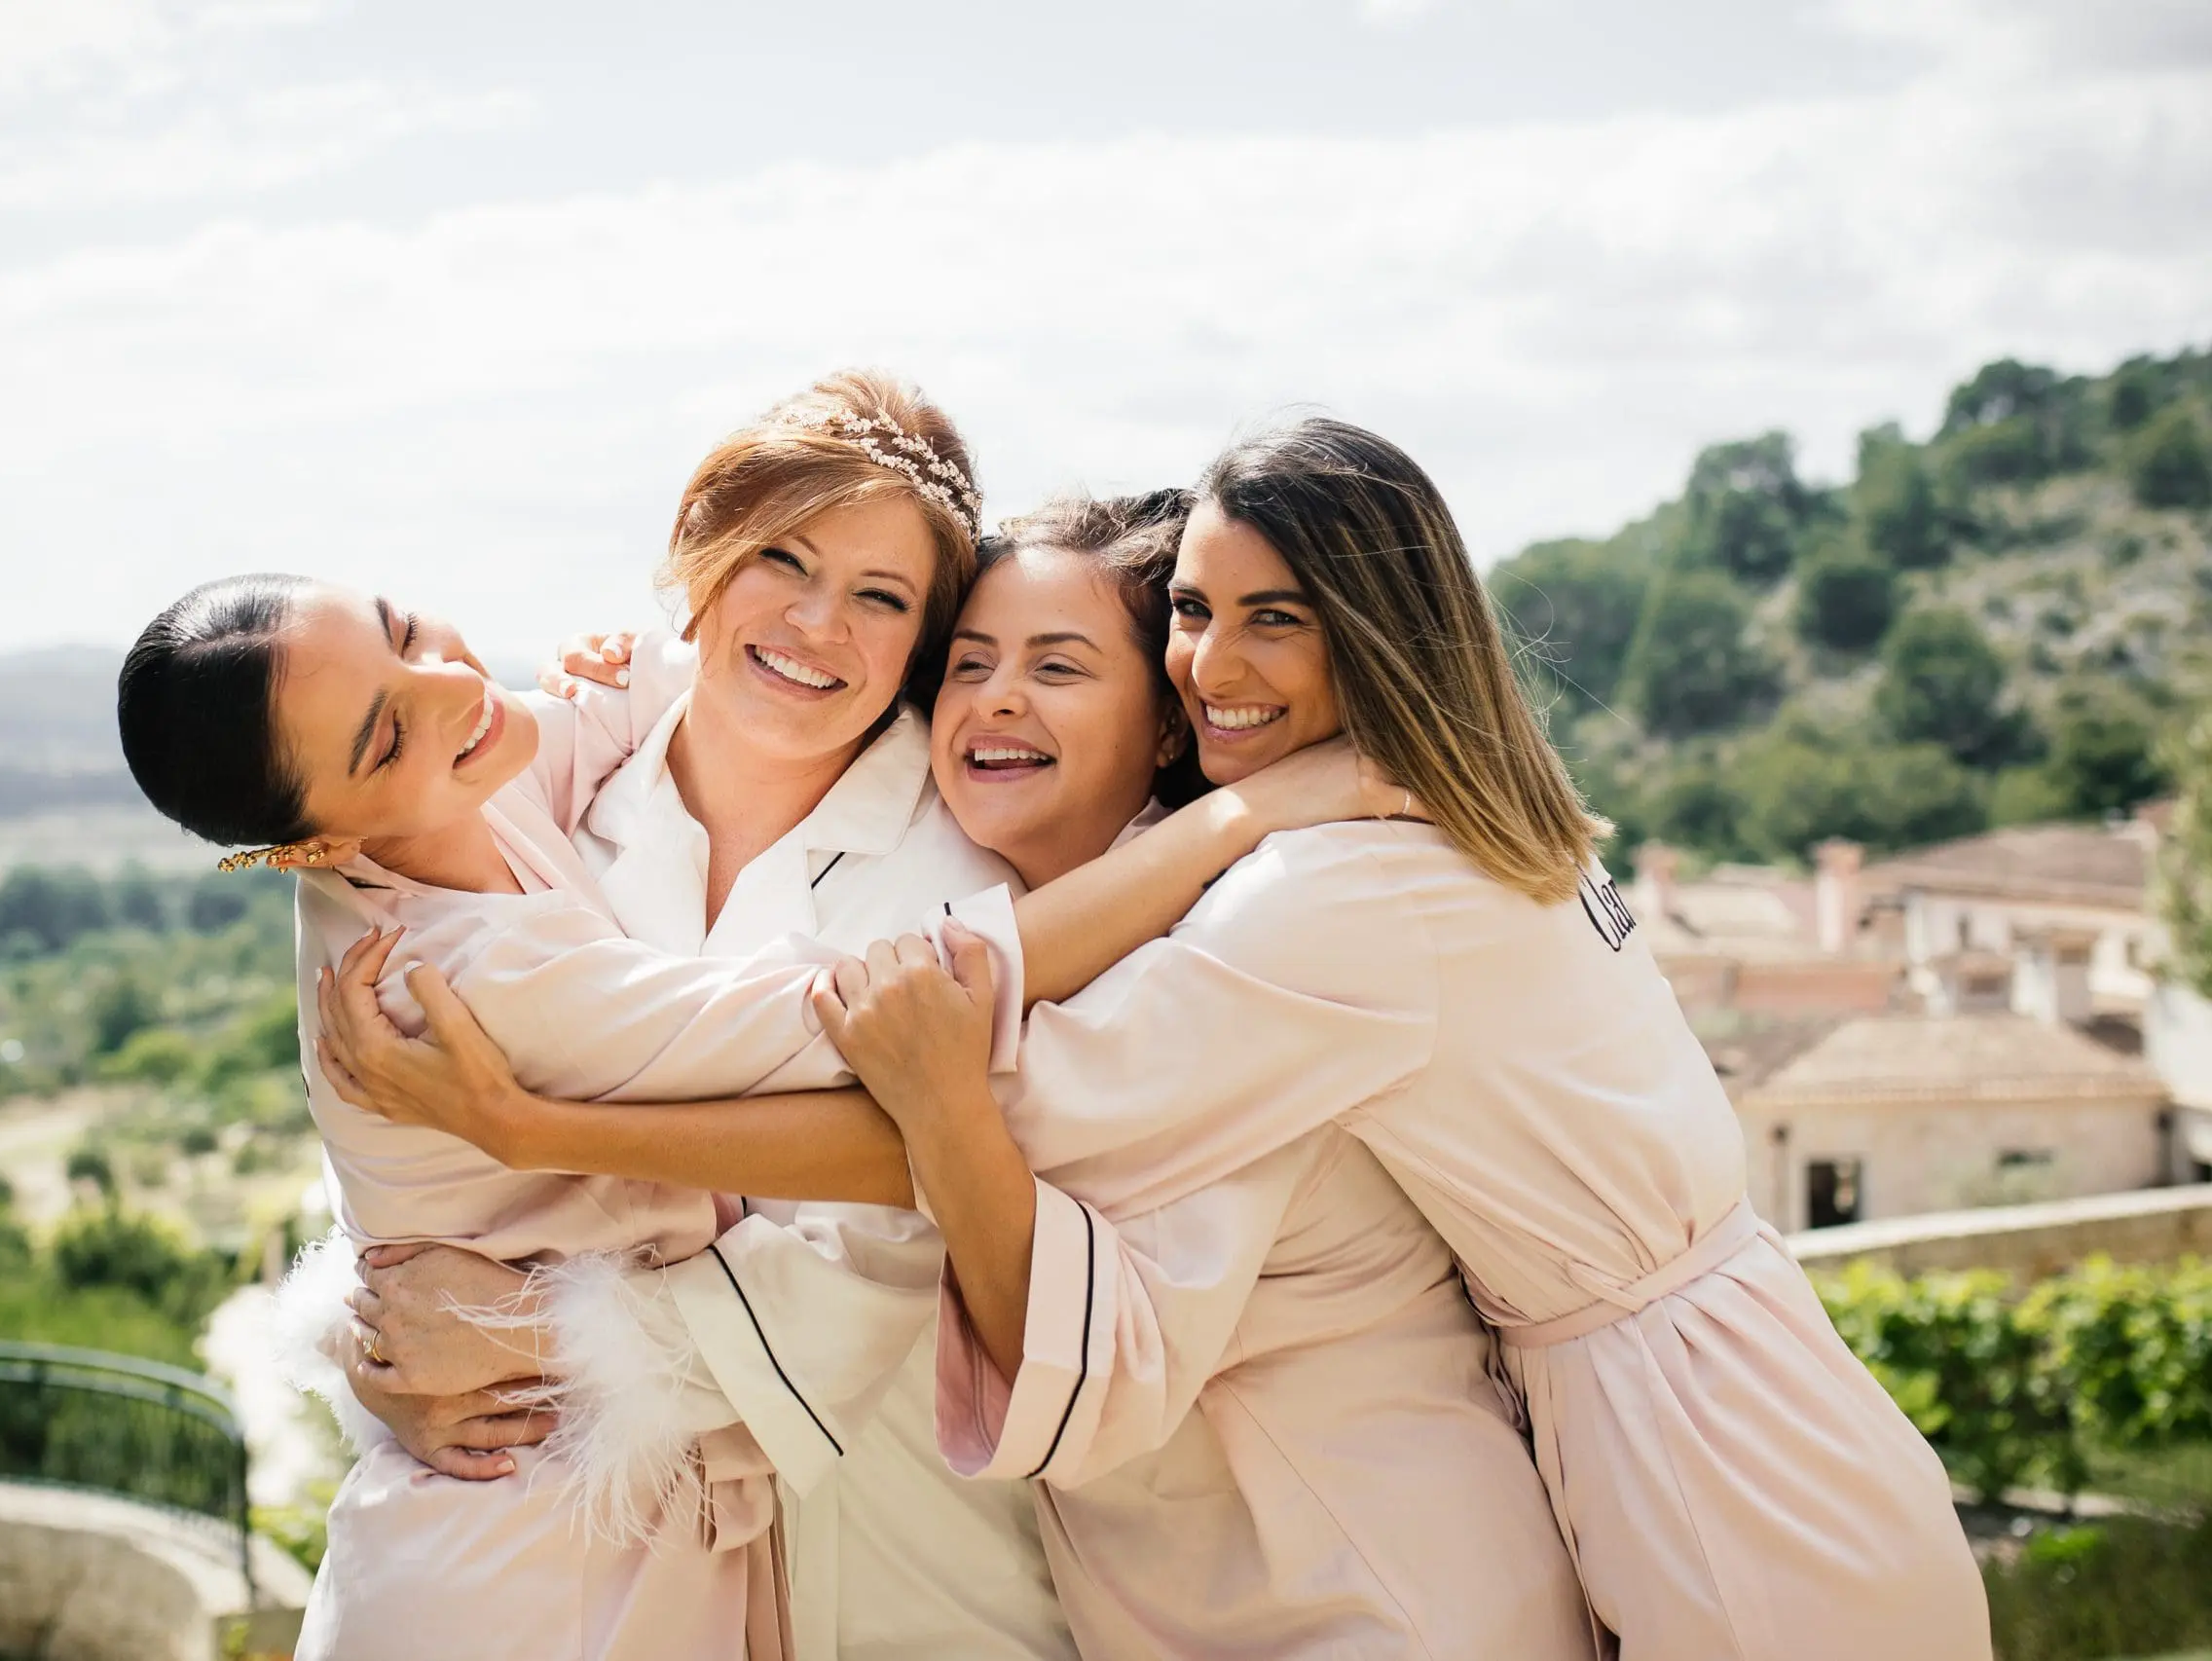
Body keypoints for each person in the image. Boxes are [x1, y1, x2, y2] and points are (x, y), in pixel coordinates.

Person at [125, 373, 1389, 1660]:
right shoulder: (547, 800)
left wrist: (531, 1332)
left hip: (908, 1559)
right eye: (775, 558)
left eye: (886, 597)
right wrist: (380, 1317)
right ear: (705, 562)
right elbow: (427, 1179)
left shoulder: (972, 861)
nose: (817, 623)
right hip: (575, 1561)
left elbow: (913, 1202)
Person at [327, 490, 1598, 1658]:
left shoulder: (1189, 942)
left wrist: (537, 1296)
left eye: (1055, 665)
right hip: (960, 1573)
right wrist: (385, 1298)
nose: (994, 699)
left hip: (1308, 1571)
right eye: (972, 664)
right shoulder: (617, 794)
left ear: (1160, 713)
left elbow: (928, 1181)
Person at [810, 421, 1992, 1661]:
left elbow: (957, 1040)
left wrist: (591, 1127)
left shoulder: (1337, 892)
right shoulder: (1482, 817)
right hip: (1747, 1392)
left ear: (1375, 628)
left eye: (1277, 616)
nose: (1209, 662)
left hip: (1706, 1462)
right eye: (1196, 611)